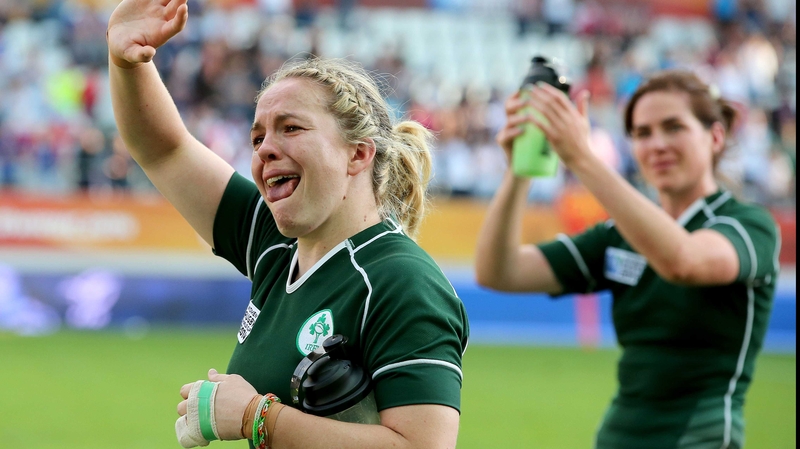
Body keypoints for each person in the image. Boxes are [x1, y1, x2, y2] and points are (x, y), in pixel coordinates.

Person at [106, 1, 468, 448]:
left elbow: (423, 446)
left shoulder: (401, 281)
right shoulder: (273, 241)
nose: (265, 150)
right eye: (258, 137)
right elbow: (164, 150)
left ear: (358, 153)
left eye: (291, 128)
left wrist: (257, 417)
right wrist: (125, 59)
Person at [476, 70, 780, 448]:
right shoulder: (620, 234)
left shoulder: (748, 225)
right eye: (642, 133)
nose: (657, 144)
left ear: (716, 136)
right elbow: (498, 271)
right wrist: (521, 170)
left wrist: (581, 157)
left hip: (700, 438)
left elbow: (683, 261)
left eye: (674, 127)